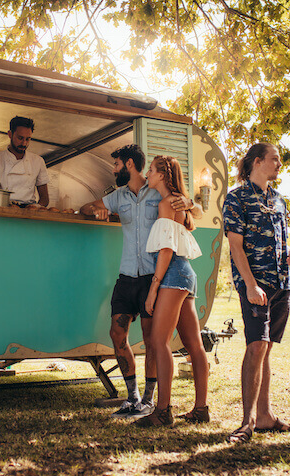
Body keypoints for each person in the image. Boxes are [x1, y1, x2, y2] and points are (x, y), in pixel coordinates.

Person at [80, 145, 200, 419]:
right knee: (117, 334)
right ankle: (132, 397)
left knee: (151, 340)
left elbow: (186, 204)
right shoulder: (117, 196)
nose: (113, 170)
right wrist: (94, 211)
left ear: (129, 164)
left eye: (117, 164)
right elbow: (87, 206)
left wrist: (193, 203)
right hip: (126, 276)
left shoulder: (157, 191)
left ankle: (148, 399)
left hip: (152, 276)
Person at [223, 142, 290, 443]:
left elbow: (280, 239)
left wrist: (289, 254)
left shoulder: (279, 200)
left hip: (282, 283)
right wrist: (251, 284)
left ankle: (266, 416)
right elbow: (235, 245)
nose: (279, 164)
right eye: (274, 159)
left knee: (266, 347)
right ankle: (247, 422)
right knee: (255, 346)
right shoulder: (236, 197)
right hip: (256, 284)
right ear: (257, 162)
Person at [133, 156, 209, 427]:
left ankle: (163, 411)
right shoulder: (178, 202)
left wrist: (154, 288)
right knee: (194, 345)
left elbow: (166, 249)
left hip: (172, 274)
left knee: (158, 340)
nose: (147, 174)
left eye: (151, 171)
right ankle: (201, 409)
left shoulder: (168, 203)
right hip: (186, 274)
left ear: (163, 175)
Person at [0, 116, 49, 206]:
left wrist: (35, 209)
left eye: (28, 139)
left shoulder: (38, 161)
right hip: (4, 210)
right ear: (10, 134)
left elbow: (45, 199)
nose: (24, 143)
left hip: (29, 211)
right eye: (20, 138)